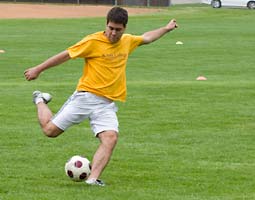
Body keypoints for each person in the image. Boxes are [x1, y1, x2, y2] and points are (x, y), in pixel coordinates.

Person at [24, 6, 177, 186]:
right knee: (50, 131)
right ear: (106, 24)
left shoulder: (127, 41)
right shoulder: (92, 41)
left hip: (106, 104)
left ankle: (92, 180)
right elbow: (66, 55)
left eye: (117, 30)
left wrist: (166, 29)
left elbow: (148, 37)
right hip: (85, 97)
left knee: (110, 138)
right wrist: (38, 69)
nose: (113, 33)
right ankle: (40, 99)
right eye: (110, 28)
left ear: (124, 28)